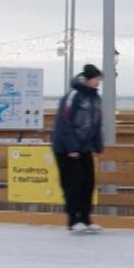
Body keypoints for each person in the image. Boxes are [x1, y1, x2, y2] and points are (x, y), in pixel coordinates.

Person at [51, 63, 105, 234]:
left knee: (88, 183)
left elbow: (96, 124)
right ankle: (73, 219)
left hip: (84, 147)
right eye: (96, 79)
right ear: (88, 79)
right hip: (66, 148)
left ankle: (86, 218)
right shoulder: (73, 96)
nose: (98, 82)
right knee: (73, 183)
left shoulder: (95, 99)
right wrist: (71, 147)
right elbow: (63, 123)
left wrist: (97, 144)